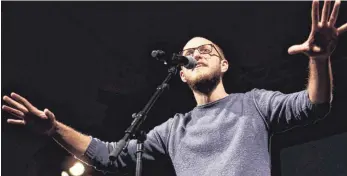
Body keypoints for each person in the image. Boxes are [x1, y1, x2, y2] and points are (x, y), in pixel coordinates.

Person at [2, 0, 347, 175]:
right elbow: (110, 156)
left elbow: (314, 105)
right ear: (181, 73)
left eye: (206, 50)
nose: (197, 54)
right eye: (189, 53)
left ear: (224, 65)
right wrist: (53, 129)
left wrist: (318, 59)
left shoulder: (254, 104)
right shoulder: (174, 130)